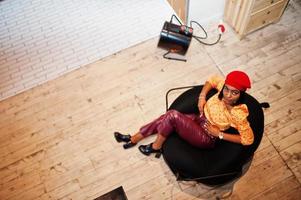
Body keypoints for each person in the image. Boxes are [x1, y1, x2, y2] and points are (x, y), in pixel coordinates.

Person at [114, 71, 254, 157]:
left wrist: (220, 135)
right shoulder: (223, 87)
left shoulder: (238, 113)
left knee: (172, 116)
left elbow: (248, 139)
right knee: (167, 116)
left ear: (240, 94)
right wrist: (202, 96)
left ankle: (156, 147)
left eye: (234, 92)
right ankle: (133, 138)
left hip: (207, 136)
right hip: (200, 119)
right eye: (227, 90)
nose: (228, 95)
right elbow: (212, 80)